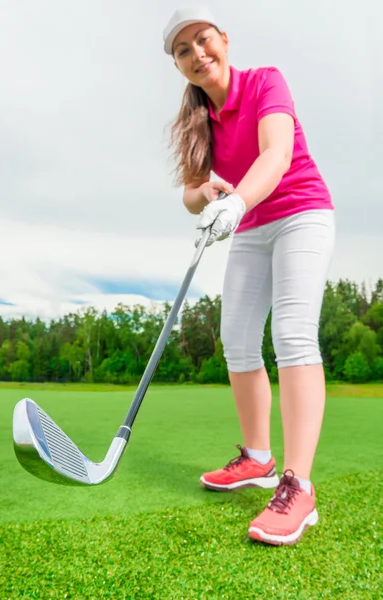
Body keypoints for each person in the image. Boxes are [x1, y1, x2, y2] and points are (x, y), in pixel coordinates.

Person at [163, 6, 335, 546]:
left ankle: (298, 487)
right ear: (178, 64)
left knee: (291, 333)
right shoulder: (196, 120)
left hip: (301, 212)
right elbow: (192, 195)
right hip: (251, 222)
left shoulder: (265, 82)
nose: (198, 55)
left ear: (224, 40)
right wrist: (209, 193)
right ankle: (258, 457)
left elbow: (277, 153)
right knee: (236, 338)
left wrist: (235, 198)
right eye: (183, 51)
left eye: (203, 40)